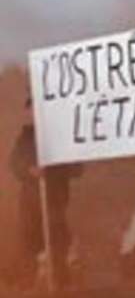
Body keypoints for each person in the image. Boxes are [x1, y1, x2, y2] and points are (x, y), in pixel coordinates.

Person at [8, 96, 83, 290]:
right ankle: (27, 285)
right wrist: (29, 169)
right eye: (31, 110)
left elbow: (77, 168)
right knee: (28, 245)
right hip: (30, 204)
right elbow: (14, 163)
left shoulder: (61, 137)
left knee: (58, 243)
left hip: (55, 201)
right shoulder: (26, 137)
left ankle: (61, 284)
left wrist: (57, 166)